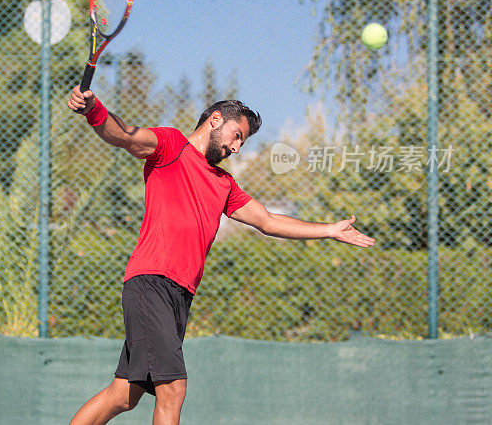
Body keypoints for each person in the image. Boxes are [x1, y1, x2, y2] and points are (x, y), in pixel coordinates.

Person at [66, 86, 376, 425]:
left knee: (124, 394)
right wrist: (94, 109)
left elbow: (268, 221)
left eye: (242, 142)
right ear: (215, 120)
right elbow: (125, 136)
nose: (237, 147)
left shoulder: (224, 183)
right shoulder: (172, 146)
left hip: (179, 294)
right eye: (237, 135)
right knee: (173, 388)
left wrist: (329, 229)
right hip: (150, 281)